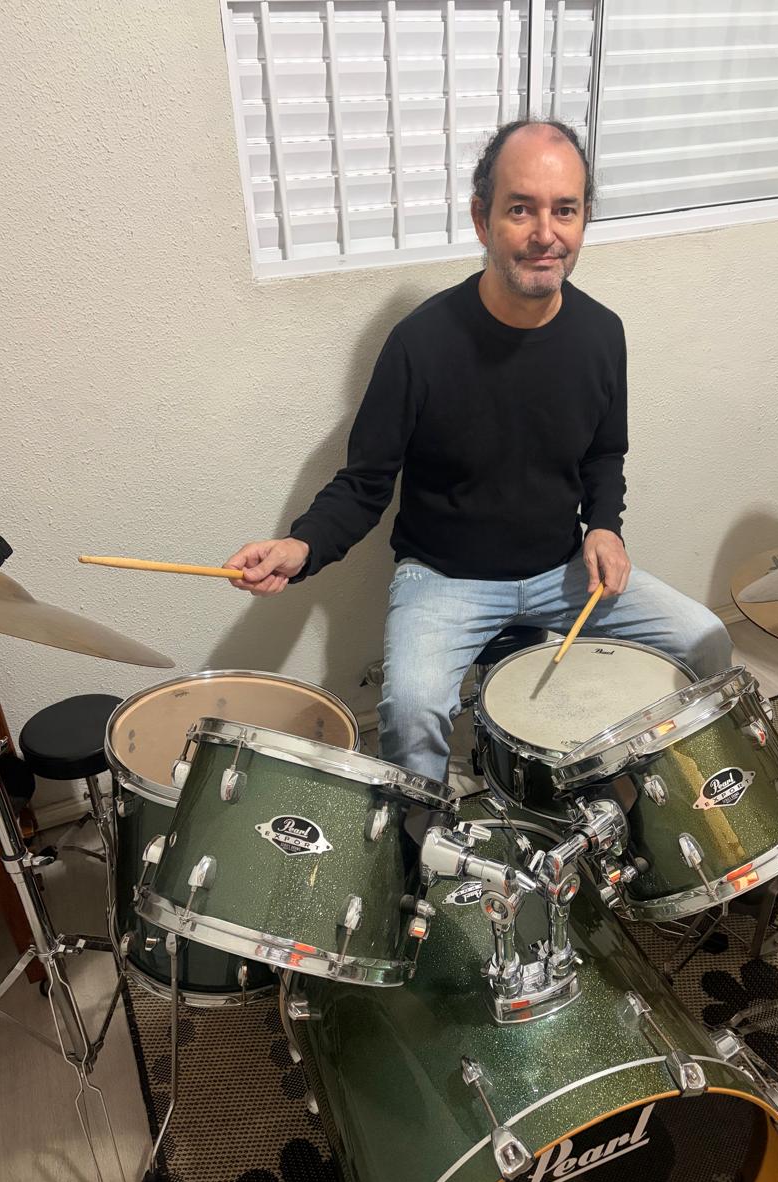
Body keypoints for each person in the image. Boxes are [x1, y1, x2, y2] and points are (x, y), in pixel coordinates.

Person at [225, 119, 732, 782]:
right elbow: (364, 484)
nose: (545, 233)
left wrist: (605, 526)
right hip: (444, 580)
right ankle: (418, 838)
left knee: (706, 642)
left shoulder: (602, 334)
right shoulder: (419, 344)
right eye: (520, 209)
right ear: (481, 219)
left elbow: (605, 454)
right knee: (409, 713)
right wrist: (300, 547)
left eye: (565, 210)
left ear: (584, 219)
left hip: (562, 570)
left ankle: (669, 802)